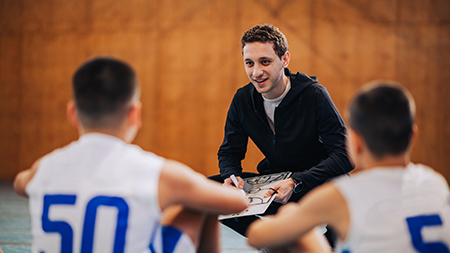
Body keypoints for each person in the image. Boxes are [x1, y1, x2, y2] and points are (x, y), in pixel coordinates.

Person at [14, 57, 248, 253]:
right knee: (197, 205)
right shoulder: (157, 172)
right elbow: (237, 201)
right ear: (135, 113)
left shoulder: (44, 168)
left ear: (72, 112)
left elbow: (20, 183)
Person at [246, 81, 450, 253]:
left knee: (291, 224)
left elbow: (257, 237)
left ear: (355, 142)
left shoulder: (342, 195)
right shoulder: (435, 181)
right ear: (413, 136)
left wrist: (290, 214)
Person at [210, 23, 353, 238]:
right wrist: (232, 176)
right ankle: (269, 242)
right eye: (249, 63)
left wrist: (297, 180)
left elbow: (345, 154)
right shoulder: (242, 99)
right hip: (274, 184)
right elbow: (229, 152)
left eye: (265, 62)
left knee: (346, 190)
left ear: (285, 59)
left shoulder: (314, 95)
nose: (256, 72)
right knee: (206, 189)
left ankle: (323, 249)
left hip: (313, 182)